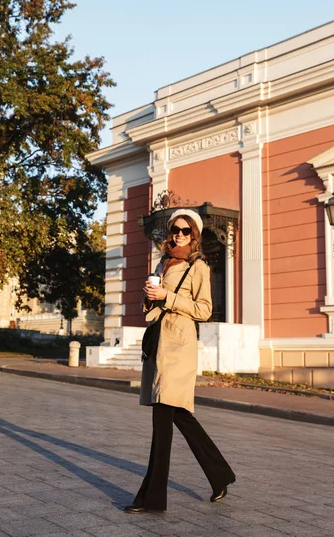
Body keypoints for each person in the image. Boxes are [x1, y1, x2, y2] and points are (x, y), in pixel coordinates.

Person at [124, 208, 236, 514]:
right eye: (175, 229)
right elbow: (152, 305)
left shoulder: (199, 266)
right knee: (178, 415)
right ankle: (220, 474)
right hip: (159, 342)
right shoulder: (162, 262)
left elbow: (204, 310)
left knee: (163, 420)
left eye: (186, 231)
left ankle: (152, 498)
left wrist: (167, 297)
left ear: (195, 235)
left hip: (179, 346)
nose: (179, 235)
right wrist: (149, 296)